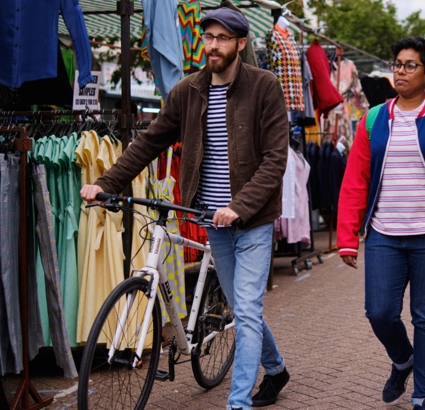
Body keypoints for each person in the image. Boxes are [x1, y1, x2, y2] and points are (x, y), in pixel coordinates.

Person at [79, 8, 290, 410]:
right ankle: (276, 369)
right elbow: (148, 142)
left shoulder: (265, 86)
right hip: (209, 218)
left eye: (223, 38)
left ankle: (238, 403)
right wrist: (107, 183)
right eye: (208, 36)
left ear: (240, 44)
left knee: (244, 311)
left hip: (252, 221)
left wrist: (239, 206)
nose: (213, 45)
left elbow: (275, 160)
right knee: (243, 307)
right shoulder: (188, 91)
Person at [337, 37, 425, 410]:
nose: (399, 71)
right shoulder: (374, 118)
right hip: (385, 234)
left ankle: (424, 397)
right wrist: (348, 235)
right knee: (380, 312)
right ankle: (404, 360)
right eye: (397, 64)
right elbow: (356, 179)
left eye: (409, 65)